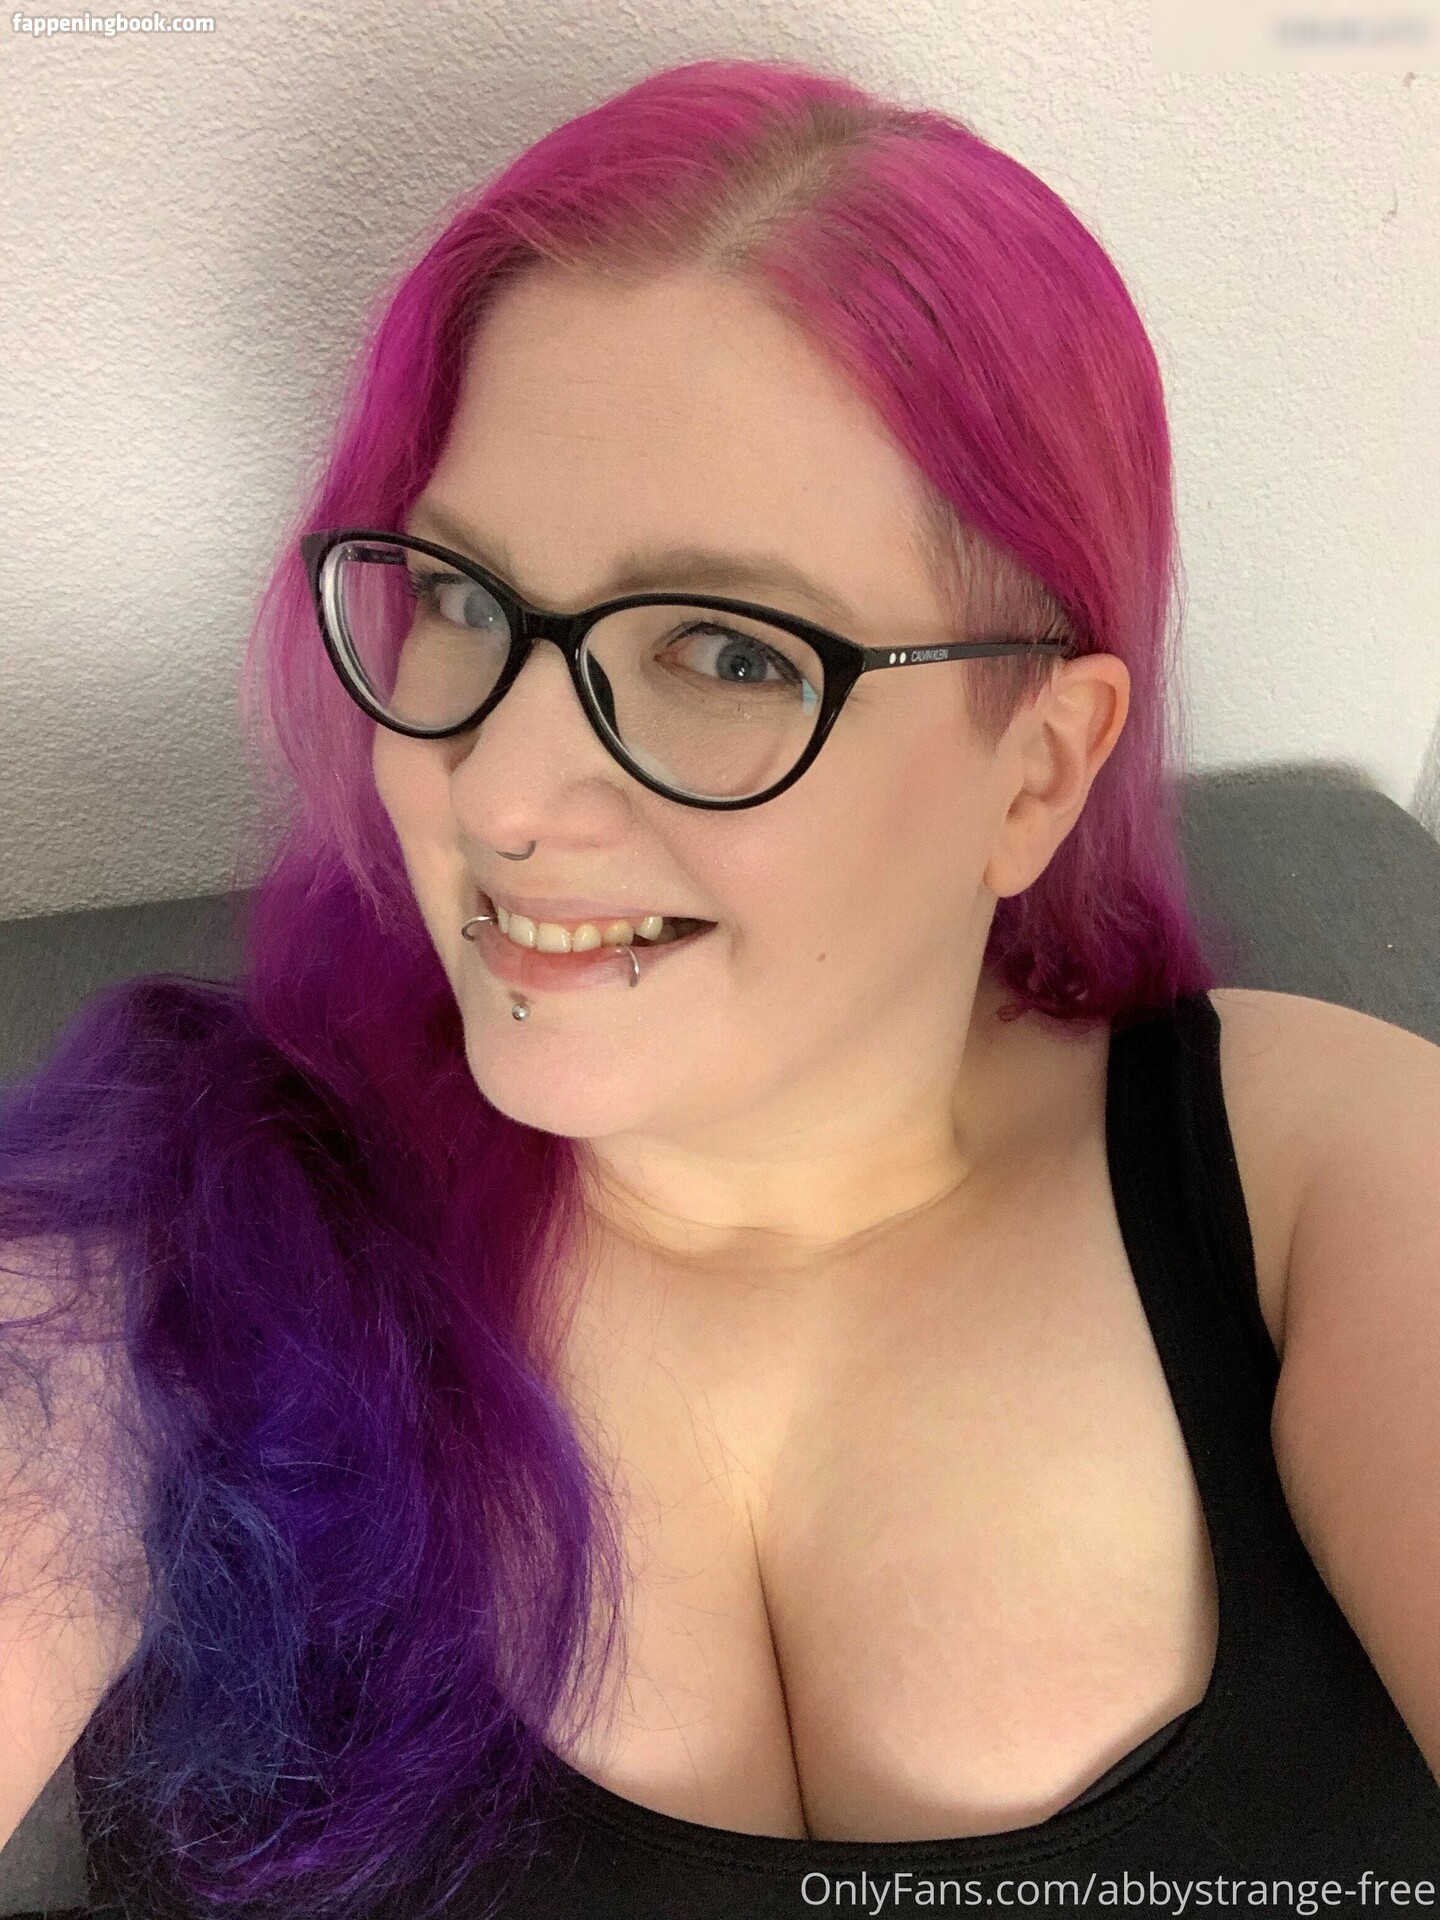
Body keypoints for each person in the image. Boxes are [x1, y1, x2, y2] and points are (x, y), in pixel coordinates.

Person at [3, 54, 1439, 1920]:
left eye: (725, 653)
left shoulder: (1323, 1178)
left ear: (1036, 770)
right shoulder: (168, 1235)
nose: (496, 794)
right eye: (461, 600)